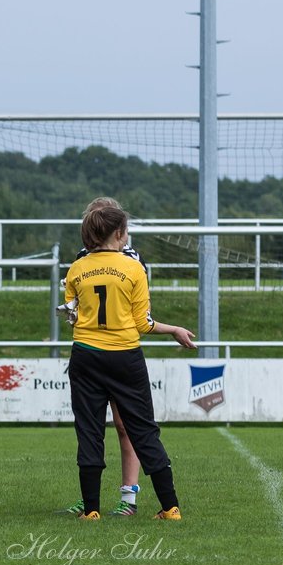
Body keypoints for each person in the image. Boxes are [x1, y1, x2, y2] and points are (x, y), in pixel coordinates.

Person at [63, 203, 194, 521]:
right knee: (144, 430)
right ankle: (170, 507)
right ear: (119, 234)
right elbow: (142, 323)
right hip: (125, 357)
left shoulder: (77, 268)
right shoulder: (134, 268)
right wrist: (173, 329)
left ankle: (91, 510)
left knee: (90, 431)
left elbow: (71, 313)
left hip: (86, 356)